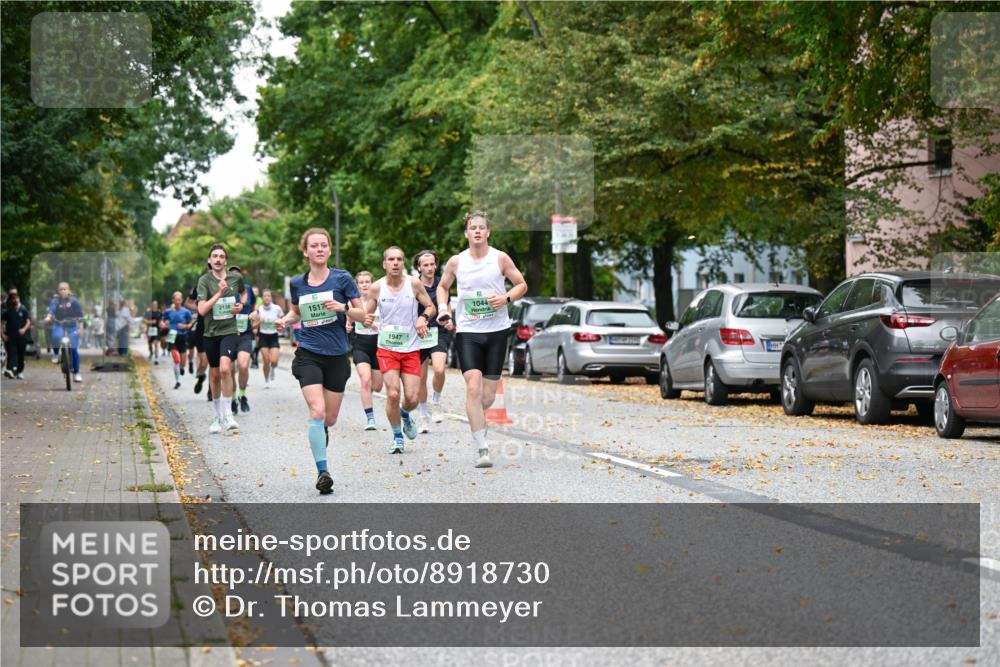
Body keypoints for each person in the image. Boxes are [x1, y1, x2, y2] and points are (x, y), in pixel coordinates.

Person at [276, 228, 364, 495]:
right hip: (309, 354)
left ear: (329, 249)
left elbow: (363, 314)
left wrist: (344, 309)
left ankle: (321, 432)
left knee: (330, 418)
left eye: (324, 245)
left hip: (337, 356)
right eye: (314, 246)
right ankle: (323, 472)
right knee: (317, 411)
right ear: (306, 251)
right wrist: (284, 321)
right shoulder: (297, 283)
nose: (319, 249)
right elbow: (295, 313)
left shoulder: (342, 279)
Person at [436, 211, 527, 468]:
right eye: (472, 227)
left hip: (497, 331)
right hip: (468, 331)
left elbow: (521, 283)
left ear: (488, 232)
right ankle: (482, 448)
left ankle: (478, 416)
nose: (477, 231)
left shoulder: (499, 258)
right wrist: (444, 307)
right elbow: (443, 286)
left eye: (481, 228)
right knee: (473, 387)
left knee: (487, 397)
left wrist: (506, 299)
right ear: (466, 233)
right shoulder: (457, 261)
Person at [364, 246, 436, 454]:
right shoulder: (376, 288)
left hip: (411, 348)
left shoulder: (414, 284)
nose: (395, 263)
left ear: (403, 263)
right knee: (393, 394)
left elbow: (430, 307)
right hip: (387, 349)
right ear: (384, 263)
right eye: (391, 259)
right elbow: (367, 315)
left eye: (399, 260)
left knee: (412, 398)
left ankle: (405, 414)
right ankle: (397, 436)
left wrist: (423, 317)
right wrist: (363, 319)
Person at [196, 245, 246, 435]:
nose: (218, 259)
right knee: (215, 374)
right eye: (215, 256)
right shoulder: (204, 281)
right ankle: (217, 416)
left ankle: (228, 414)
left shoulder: (236, 278)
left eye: (222, 257)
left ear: (226, 261)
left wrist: (240, 305)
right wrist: (218, 293)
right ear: (209, 260)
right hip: (211, 333)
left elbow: (242, 294)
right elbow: (201, 310)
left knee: (226, 368)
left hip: (230, 330)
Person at [413, 249, 452, 431]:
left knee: (439, 369)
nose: (429, 268)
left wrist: (449, 318)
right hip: (419, 334)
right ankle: (423, 416)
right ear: (419, 267)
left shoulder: (441, 284)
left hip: (438, 332)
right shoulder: (413, 285)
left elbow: (447, 305)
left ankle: (436, 401)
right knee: (420, 378)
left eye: (432, 264)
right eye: (425, 265)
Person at [346, 271, 382, 430]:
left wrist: (377, 326)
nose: (365, 285)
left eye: (368, 281)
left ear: (372, 284)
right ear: (357, 285)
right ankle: (370, 419)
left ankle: (369, 395)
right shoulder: (353, 303)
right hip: (361, 345)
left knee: (378, 386)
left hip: (379, 346)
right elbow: (348, 321)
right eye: (361, 282)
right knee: (365, 380)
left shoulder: (380, 302)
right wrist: (347, 326)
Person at [45, 282, 86, 382]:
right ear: (58, 291)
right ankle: (55, 353)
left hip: (72, 327)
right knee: (55, 337)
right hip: (59, 325)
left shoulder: (74, 301)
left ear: (69, 290)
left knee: (74, 350)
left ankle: (76, 373)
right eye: (61, 289)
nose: (63, 291)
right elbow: (51, 310)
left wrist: (81, 329)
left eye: (65, 289)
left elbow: (81, 316)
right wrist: (48, 317)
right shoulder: (55, 301)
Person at [228, 265, 254, 415]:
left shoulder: (248, 289)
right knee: (230, 369)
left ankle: (242, 395)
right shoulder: (223, 291)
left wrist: (255, 314)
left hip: (245, 333)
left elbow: (254, 306)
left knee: (243, 366)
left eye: (238, 275)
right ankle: (232, 399)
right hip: (228, 333)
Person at [163, 291, 193, 389]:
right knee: (176, 359)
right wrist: (163, 324)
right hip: (172, 336)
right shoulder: (168, 311)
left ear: (182, 300)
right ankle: (178, 381)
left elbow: (191, 323)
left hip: (182, 337)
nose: (177, 301)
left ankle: (182, 368)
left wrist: (185, 326)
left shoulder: (186, 312)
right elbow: (162, 320)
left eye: (179, 300)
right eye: (176, 299)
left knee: (183, 362)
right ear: (173, 300)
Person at [256, 289, 284, 388]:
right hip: (263, 336)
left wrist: (280, 325)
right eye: (265, 296)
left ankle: (272, 369)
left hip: (273, 336)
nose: (267, 297)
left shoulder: (277, 308)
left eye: (268, 296)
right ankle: (266, 380)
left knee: (274, 361)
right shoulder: (259, 309)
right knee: (266, 360)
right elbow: (254, 325)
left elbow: (283, 320)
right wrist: (260, 321)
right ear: (262, 298)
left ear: (271, 297)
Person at [2, 288, 32, 379]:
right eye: (13, 298)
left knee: (21, 355)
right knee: (11, 353)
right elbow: (1, 323)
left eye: (16, 298)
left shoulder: (23, 310)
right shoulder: (7, 311)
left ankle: (19, 371)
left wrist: (24, 329)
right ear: (10, 300)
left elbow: (28, 322)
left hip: (21, 337)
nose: (15, 300)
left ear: (19, 298)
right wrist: (2, 335)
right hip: (10, 337)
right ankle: (10, 370)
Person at [186, 280, 209, 396]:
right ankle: (201, 377)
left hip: (219, 328)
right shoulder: (199, 286)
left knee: (217, 363)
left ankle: (211, 389)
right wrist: (200, 308)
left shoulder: (224, 285)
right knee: (204, 362)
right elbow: (188, 303)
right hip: (202, 329)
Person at [142, 300, 163, 364]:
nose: (154, 305)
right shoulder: (148, 312)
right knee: (150, 343)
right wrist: (149, 322)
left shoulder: (159, 313)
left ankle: (156, 358)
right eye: (153, 304)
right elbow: (143, 319)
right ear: (151, 305)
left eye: (155, 304)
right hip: (150, 329)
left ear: (157, 305)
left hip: (157, 330)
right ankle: (151, 353)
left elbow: (161, 320)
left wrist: (162, 325)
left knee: (156, 343)